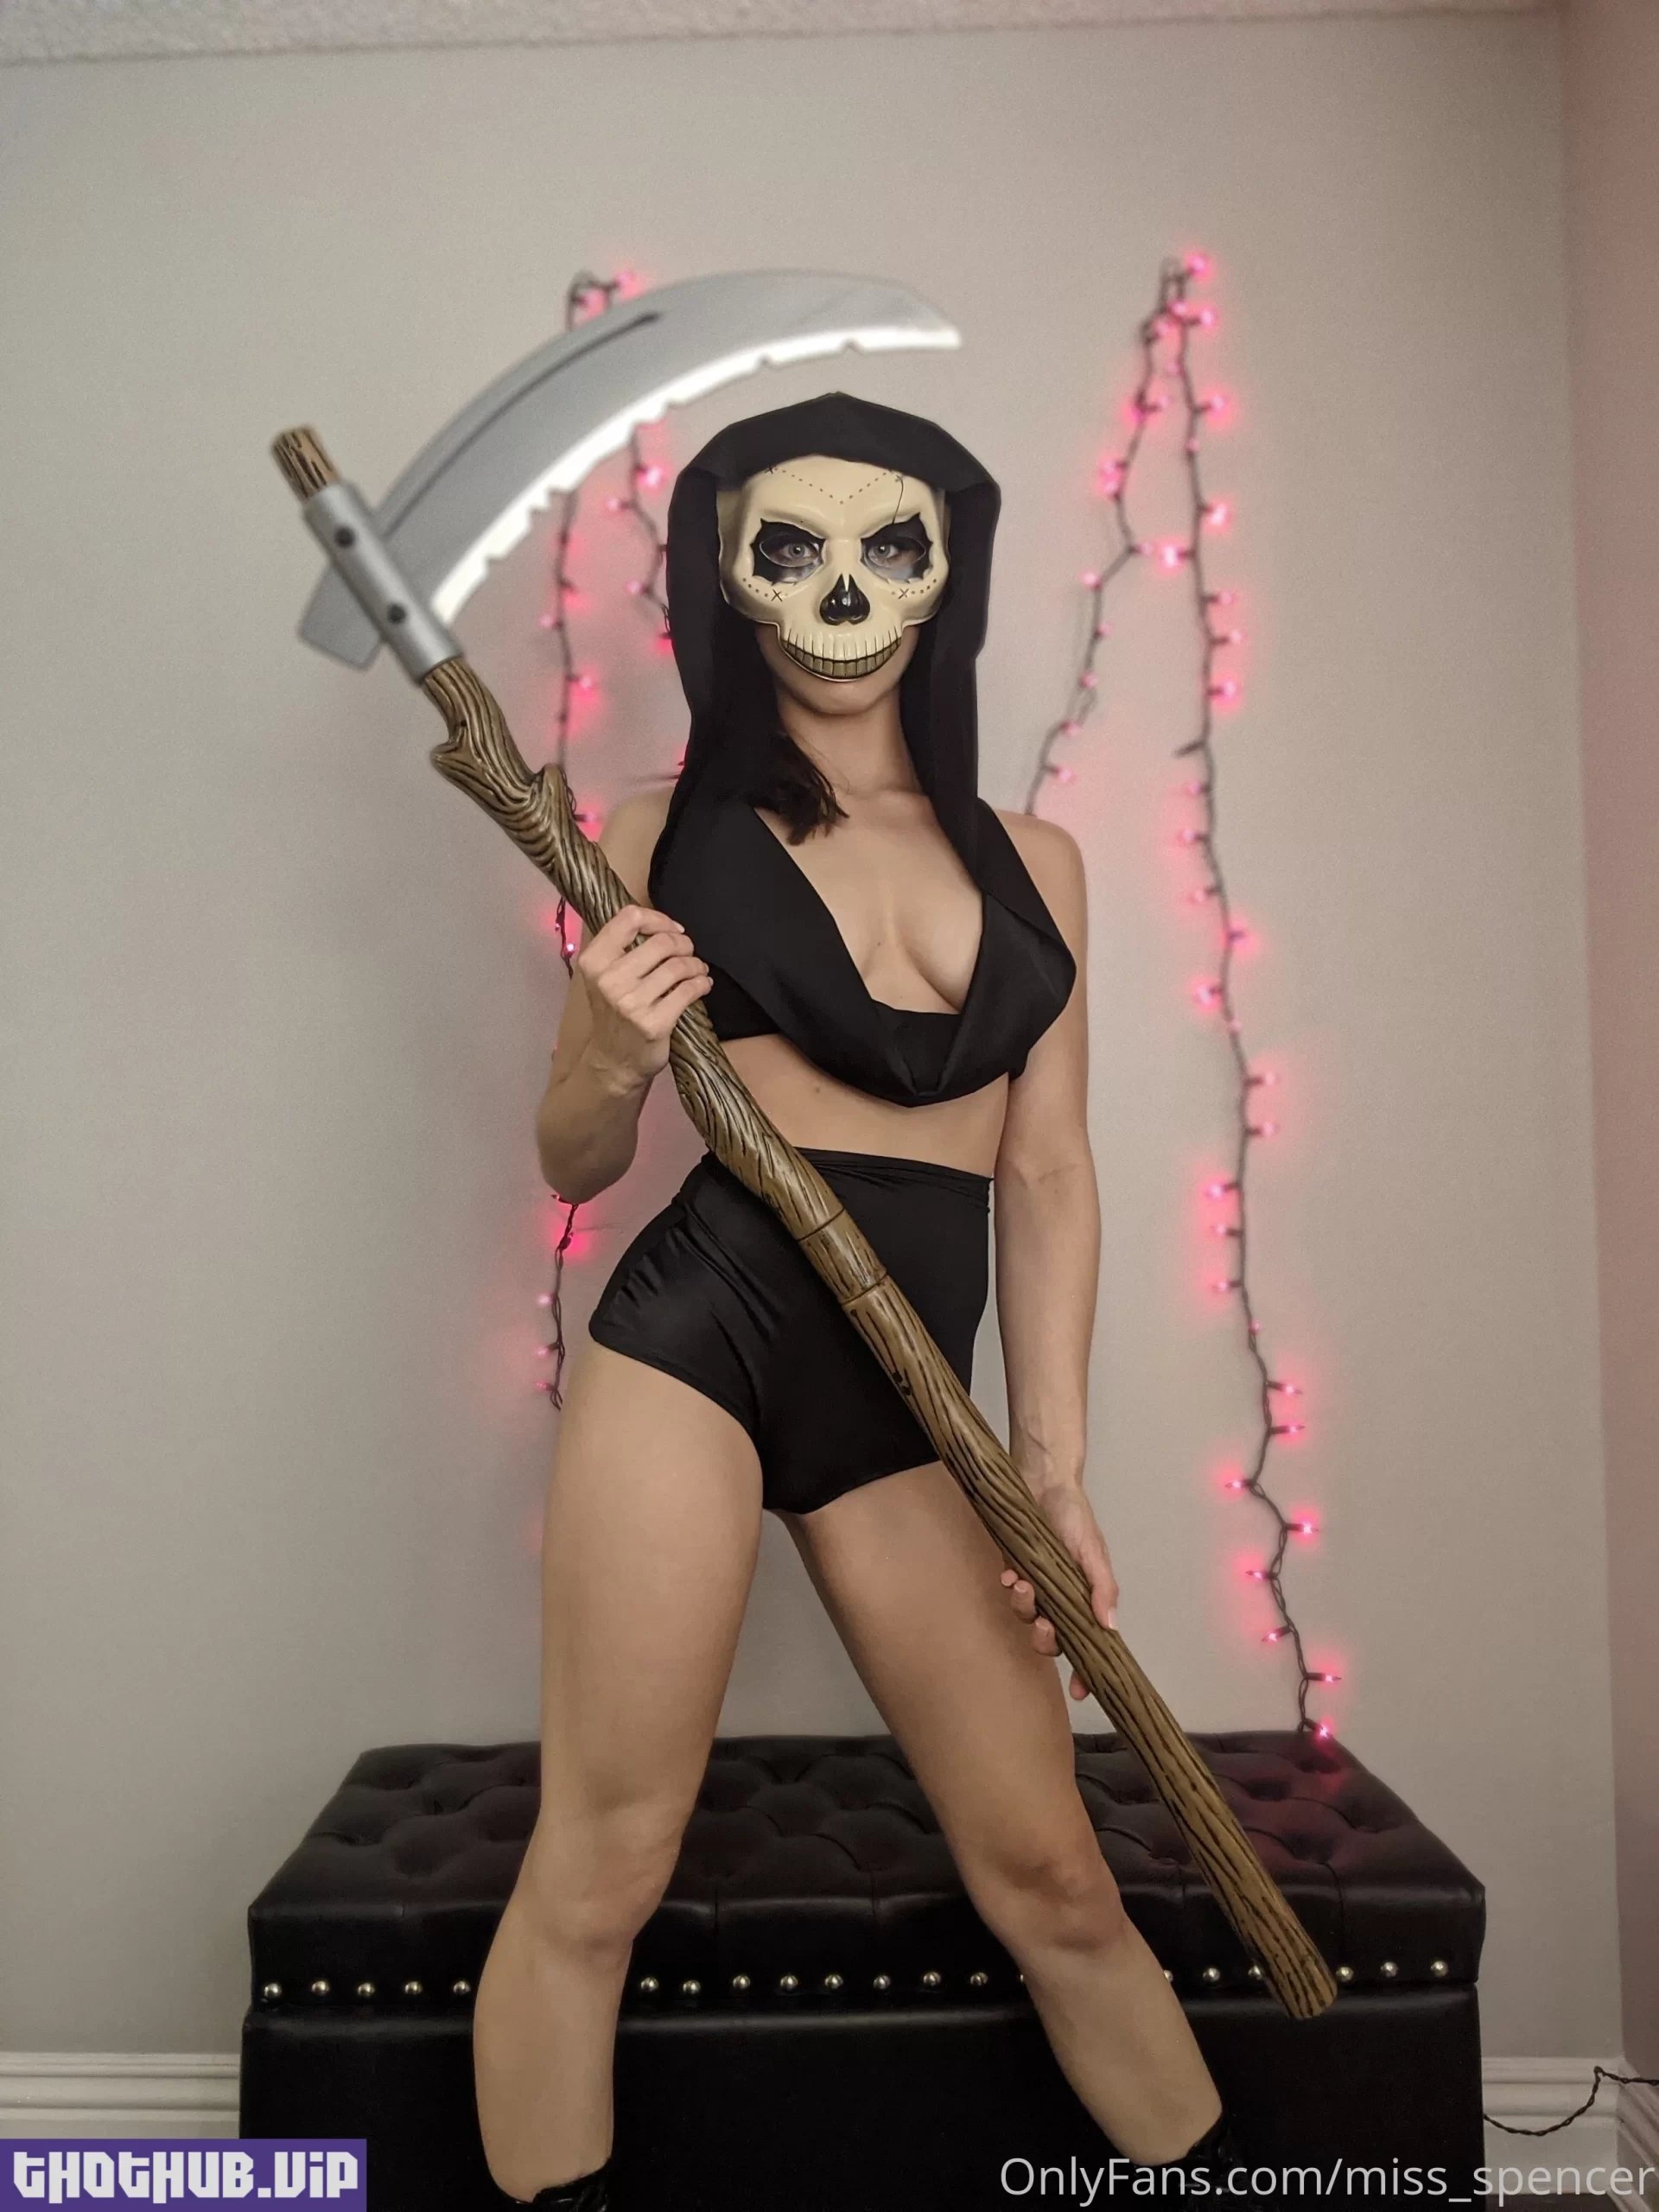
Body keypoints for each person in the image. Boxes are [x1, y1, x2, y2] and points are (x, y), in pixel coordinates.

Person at [473, 394, 1241, 2209]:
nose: (841, 595)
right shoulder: (656, 831)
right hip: (700, 1345)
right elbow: (576, 1158)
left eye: (887, 547)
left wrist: (1054, 1468)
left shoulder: (1036, 862)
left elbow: (1046, 1174)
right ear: (729, 579)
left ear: (945, 574)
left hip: (916, 1402)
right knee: (604, 1862)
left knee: (1054, 1878)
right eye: (789, 547)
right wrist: (607, 1047)